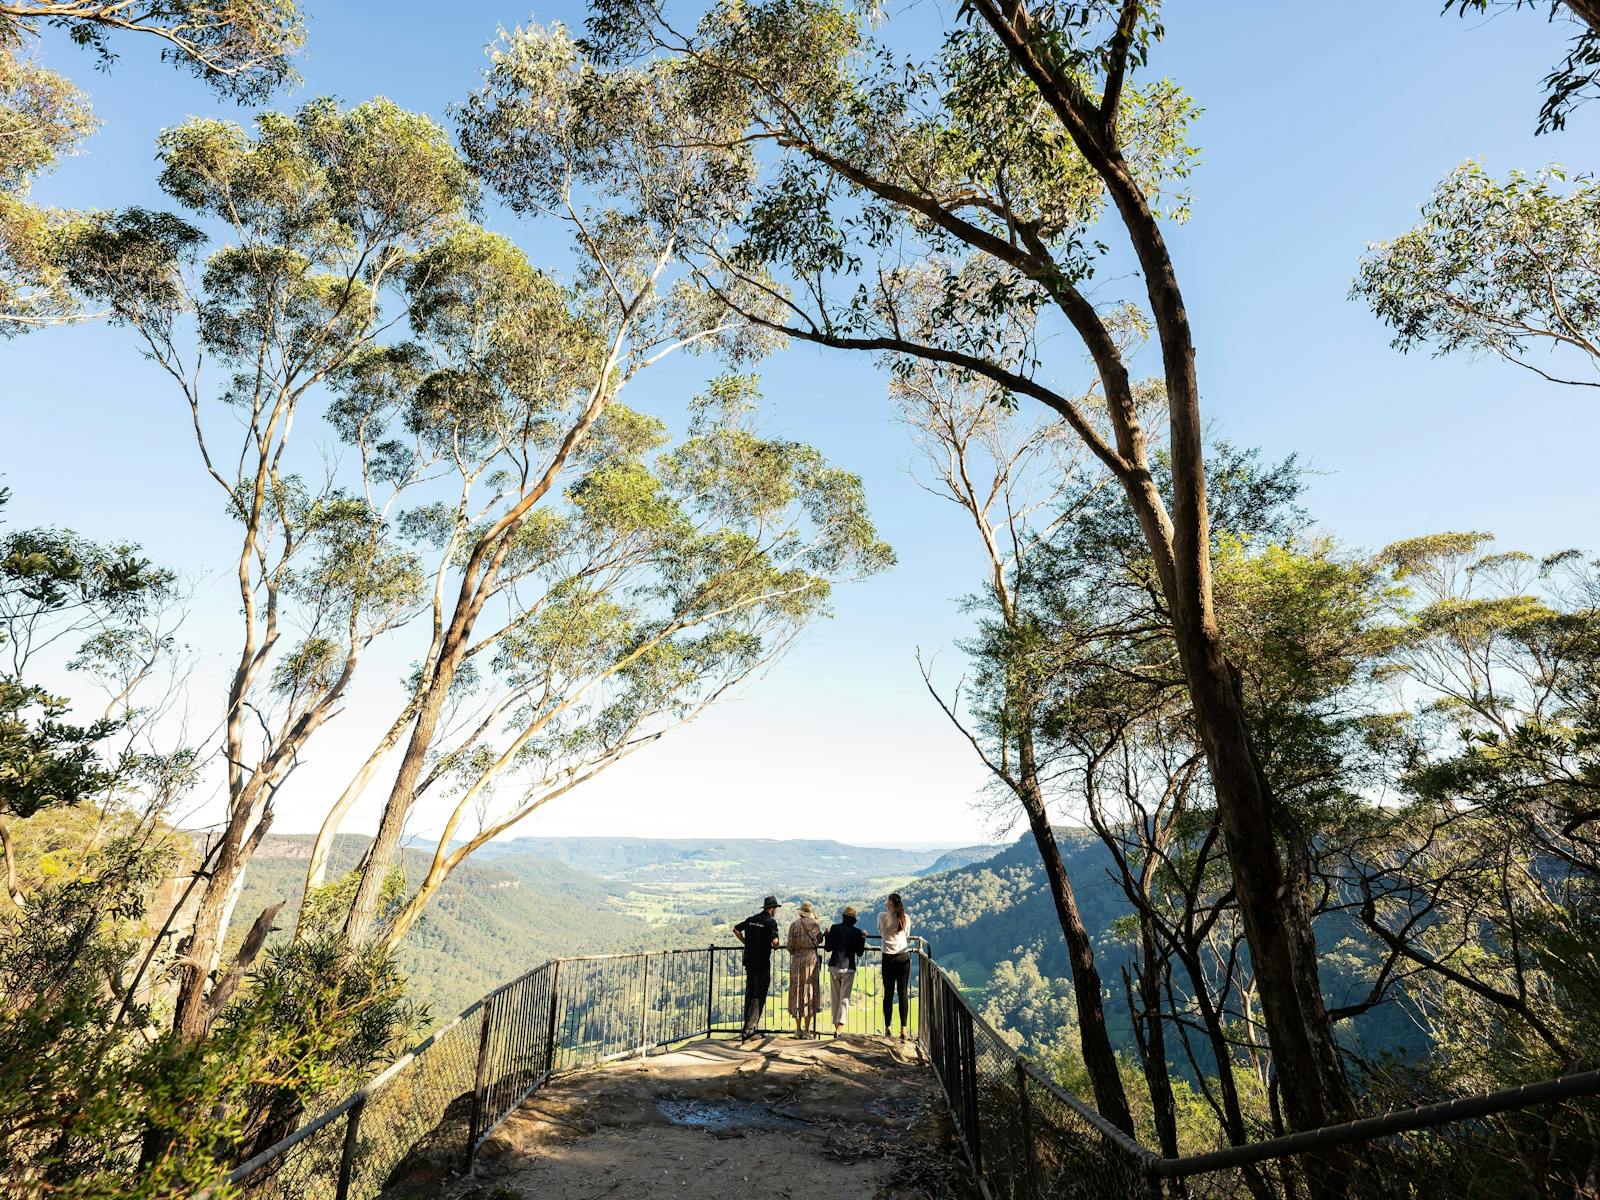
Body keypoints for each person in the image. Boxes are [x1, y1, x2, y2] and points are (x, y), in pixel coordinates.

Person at [733, 895, 781, 1040]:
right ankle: (750, 1031)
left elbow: (735, 929)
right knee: (759, 996)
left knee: (750, 993)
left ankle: (746, 1028)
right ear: (772, 909)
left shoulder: (751, 919)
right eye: (775, 908)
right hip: (762, 963)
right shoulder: (770, 922)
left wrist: (746, 942)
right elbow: (775, 942)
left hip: (749, 961)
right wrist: (776, 946)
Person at [821, 904, 868, 1036]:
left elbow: (828, 948)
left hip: (834, 966)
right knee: (844, 998)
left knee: (835, 997)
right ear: (854, 920)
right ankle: (840, 1027)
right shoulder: (857, 932)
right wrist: (863, 938)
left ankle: (836, 1026)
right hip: (848, 968)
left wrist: (827, 936)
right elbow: (859, 953)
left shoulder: (834, 928)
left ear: (842, 917)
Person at [786, 900, 823, 1037]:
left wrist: (797, 951)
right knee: (809, 992)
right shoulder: (814, 925)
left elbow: (790, 946)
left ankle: (797, 1030)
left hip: (797, 960)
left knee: (797, 991)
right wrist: (817, 923)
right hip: (811, 961)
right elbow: (819, 940)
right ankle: (807, 1030)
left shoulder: (794, 925)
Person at [878, 892, 912, 1040]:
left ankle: (888, 1028)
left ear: (890, 903)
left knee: (889, 994)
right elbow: (907, 935)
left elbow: (881, 932)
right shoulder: (906, 918)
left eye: (887, 901)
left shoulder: (882, 916)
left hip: (888, 958)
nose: (886, 903)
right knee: (903, 993)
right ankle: (904, 1029)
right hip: (903, 957)